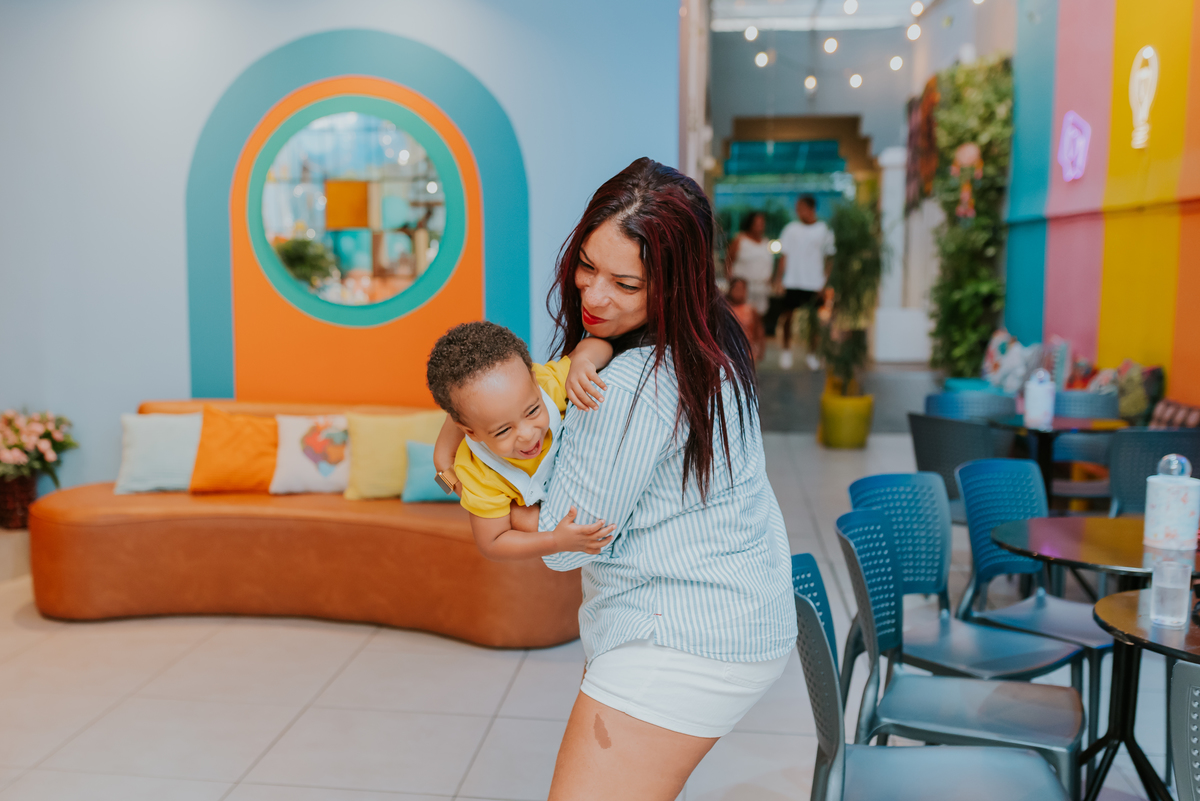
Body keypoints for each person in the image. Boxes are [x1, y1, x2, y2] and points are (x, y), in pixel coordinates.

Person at [509, 158, 796, 800]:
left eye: (625, 284)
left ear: (672, 285)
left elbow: (568, 539)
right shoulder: (713, 340)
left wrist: (498, 508)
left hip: (679, 640)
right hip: (738, 612)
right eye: (587, 266)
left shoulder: (631, 386)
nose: (594, 296)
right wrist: (595, 347)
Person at [427, 321, 616, 561]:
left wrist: (581, 362)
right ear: (470, 432)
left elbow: (599, 346)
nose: (527, 435)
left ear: (535, 384)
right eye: (503, 430)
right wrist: (555, 541)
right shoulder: (477, 474)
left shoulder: (547, 385)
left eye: (532, 411)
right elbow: (492, 542)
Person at [767, 195, 835, 371]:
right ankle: (786, 352)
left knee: (814, 321)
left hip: (815, 283)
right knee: (788, 317)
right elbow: (784, 256)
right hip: (793, 281)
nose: (798, 211)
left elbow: (829, 259)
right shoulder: (790, 229)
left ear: (811, 208)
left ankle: (812, 354)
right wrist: (778, 279)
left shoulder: (824, 230)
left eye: (801, 207)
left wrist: (825, 283)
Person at [724, 210, 773, 314]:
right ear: (750, 223)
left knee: (758, 317)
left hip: (761, 289)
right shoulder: (740, 240)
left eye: (762, 223)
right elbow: (728, 261)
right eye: (757, 223)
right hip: (743, 289)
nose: (760, 226)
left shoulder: (766, 242)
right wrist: (730, 282)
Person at [727, 277, 765, 363]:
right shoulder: (725, 309)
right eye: (736, 288)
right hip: (729, 350)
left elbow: (759, 331)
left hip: (747, 351)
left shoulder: (751, 309)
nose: (739, 291)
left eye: (742, 289)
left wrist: (761, 348)